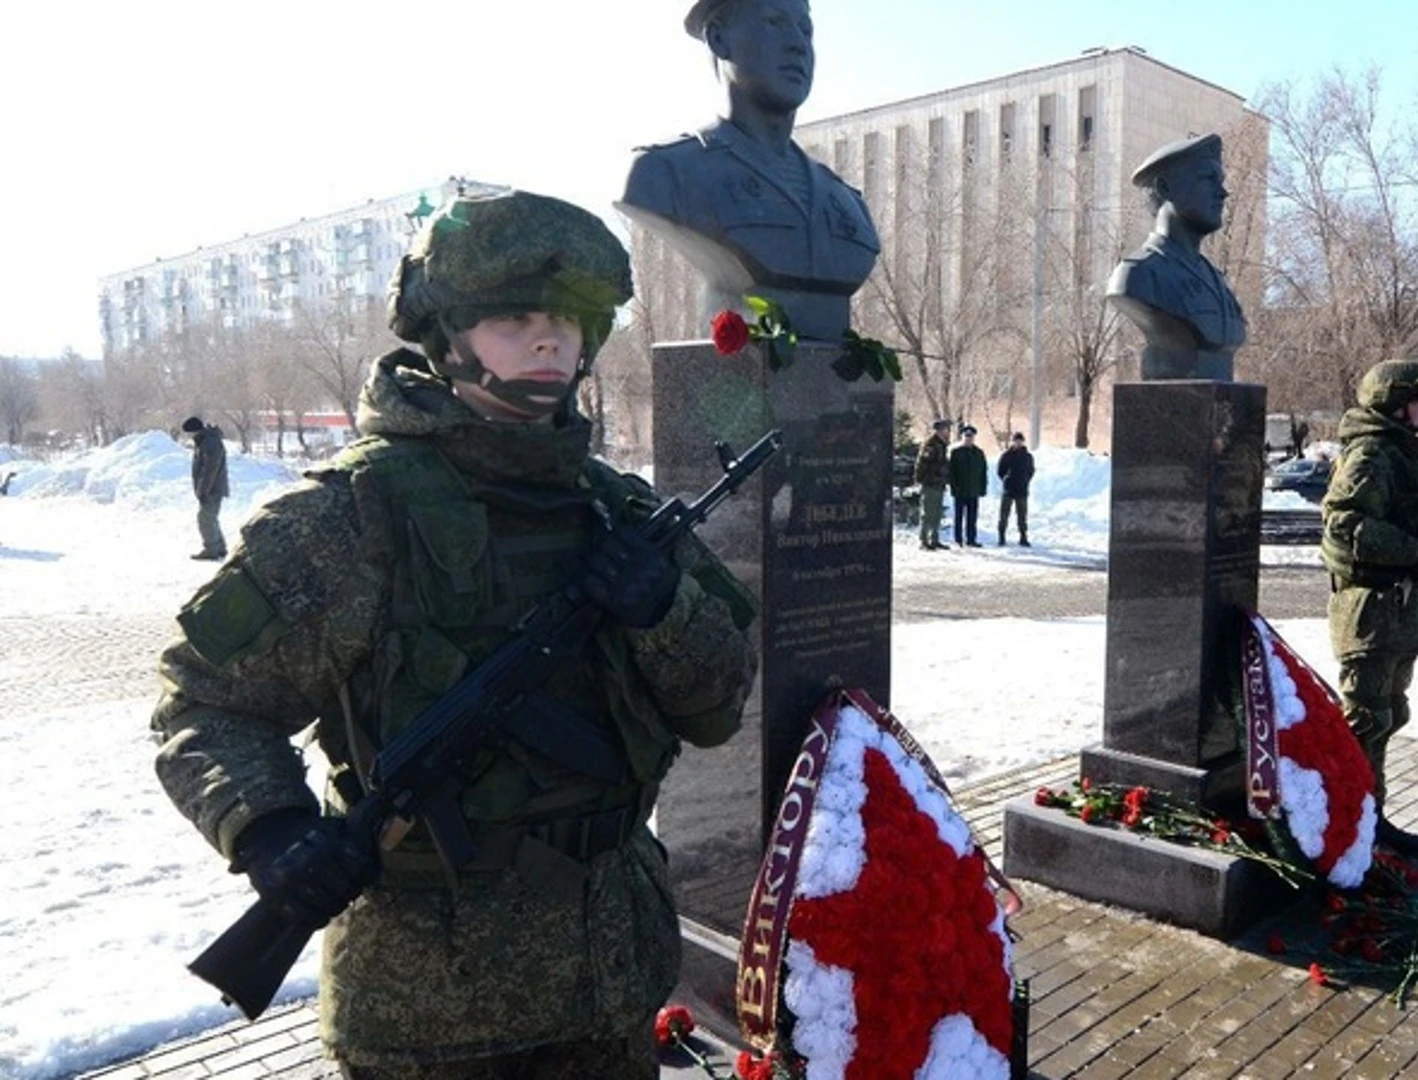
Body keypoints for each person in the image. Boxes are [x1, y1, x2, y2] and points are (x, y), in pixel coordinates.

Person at [149, 190, 759, 1080]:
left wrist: (662, 609)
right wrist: (270, 828)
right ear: (448, 337)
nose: (551, 339)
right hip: (428, 1012)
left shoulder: (618, 514)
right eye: (515, 318)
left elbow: (718, 709)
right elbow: (202, 702)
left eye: (570, 319)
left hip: (611, 982)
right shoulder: (355, 516)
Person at [618, 0, 880, 343]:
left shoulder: (847, 203)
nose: (797, 43)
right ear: (718, 39)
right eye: (774, 22)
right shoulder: (666, 173)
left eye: (806, 30)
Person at [1319, 360, 1418, 861]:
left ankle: (1367, 815)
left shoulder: (1405, 455)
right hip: (1371, 611)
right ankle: (1351, 820)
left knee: (1388, 714)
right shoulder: (1372, 455)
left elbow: (1413, 519)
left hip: (1398, 610)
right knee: (1365, 718)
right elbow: (1343, 529)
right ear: (1394, 404)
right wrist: (1410, 549)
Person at [1104, 133, 1246, 381]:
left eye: (1220, 181)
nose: (1223, 193)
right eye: (1207, 179)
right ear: (1165, 188)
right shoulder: (1138, 275)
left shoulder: (1218, 282)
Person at [181, 416, 229, 561]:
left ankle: (212, 549)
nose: (189, 437)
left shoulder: (210, 443)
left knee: (205, 519)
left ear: (195, 431)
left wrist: (203, 490)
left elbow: (210, 470)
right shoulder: (206, 441)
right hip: (211, 488)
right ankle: (219, 547)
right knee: (210, 517)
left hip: (212, 488)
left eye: (189, 433)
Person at [915, 418, 952, 551]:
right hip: (930, 483)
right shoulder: (931, 445)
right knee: (928, 513)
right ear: (939, 430)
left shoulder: (942, 444)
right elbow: (922, 464)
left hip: (939, 483)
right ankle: (924, 540)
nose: (947, 432)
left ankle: (934, 539)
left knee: (937, 513)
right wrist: (923, 480)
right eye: (945, 429)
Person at [948, 425, 988, 548]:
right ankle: (958, 539)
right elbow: (951, 472)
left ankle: (971, 539)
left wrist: (982, 488)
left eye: (970, 437)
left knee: (972, 517)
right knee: (958, 517)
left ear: (974, 438)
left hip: (973, 490)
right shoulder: (956, 453)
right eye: (966, 436)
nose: (968, 439)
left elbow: (983, 472)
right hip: (960, 490)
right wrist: (953, 487)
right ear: (962, 437)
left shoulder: (979, 453)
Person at [996, 432, 1035, 547]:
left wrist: (1025, 480)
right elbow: (1000, 470)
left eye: (1020, 441)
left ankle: (1023, 536)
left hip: (1022, 489)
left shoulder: (1027, 456)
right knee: (1004, 514)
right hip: (1008, 489)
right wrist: (1006, 479)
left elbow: (1031, 471)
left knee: (1022, 515)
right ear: (1012, 442)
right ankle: (1001, 536)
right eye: (1016, 441)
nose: (1018, 443)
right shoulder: (1006, 455)